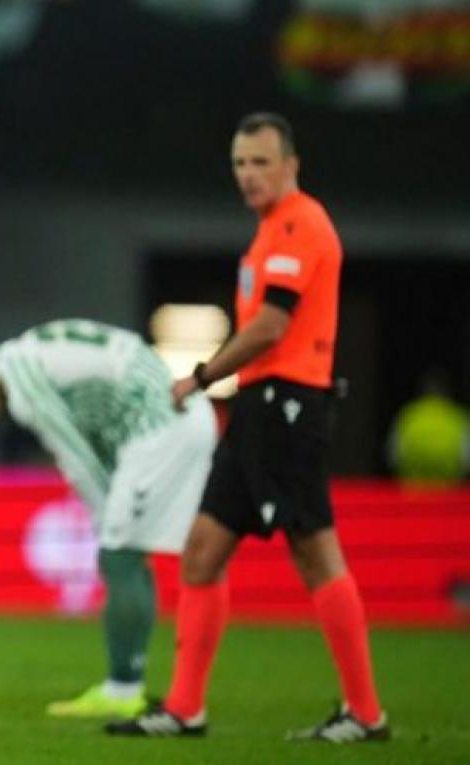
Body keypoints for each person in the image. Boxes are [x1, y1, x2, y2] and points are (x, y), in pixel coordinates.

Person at [108, 113, 389, 742]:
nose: (248, 174)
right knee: (203, 551)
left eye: (261, 162)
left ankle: (367, 713)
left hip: (289, 404)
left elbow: (270, 326)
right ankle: (185, 708)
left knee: (315, 554)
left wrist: (201, 376)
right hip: (260, 407)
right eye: (240, 163)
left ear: (292, 166)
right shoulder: (268, 232)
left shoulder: (300, 223)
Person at [0, 319, 217, 720]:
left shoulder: (22, 383)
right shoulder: (28, 349)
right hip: (175, 413)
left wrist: (104, 515)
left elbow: (74, 454)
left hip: (159, 427)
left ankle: (123, 689)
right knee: (168, 554)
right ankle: (150, 688)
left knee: (119, 555)